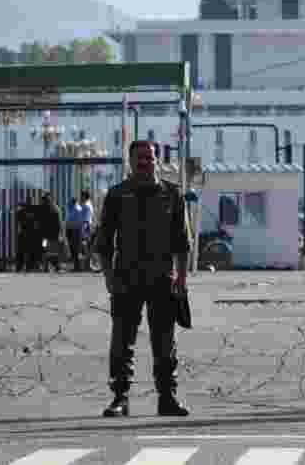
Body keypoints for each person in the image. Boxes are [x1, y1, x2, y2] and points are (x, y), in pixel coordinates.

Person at [91, 140, 191, 418]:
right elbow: (103, 243)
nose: (146, 161)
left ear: (157, 159)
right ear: (131, 161)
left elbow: (183, 243)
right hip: (127, 278)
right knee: (122, 342)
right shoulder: (118, 195)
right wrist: (109, 278)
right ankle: (120, 398)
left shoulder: (172, 195)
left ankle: (167, 397)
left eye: (150, 156)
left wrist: (181, 279)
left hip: (162, 279)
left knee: (165, 342)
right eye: (140, 157)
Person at [66, 191, 92, 272]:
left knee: (81, 248)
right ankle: (81, 266)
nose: (80, 198)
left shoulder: (86, 206)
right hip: (80, 228)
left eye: (81, 196)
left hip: (82, 228)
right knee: (80, 248)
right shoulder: (84, 206)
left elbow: (86, 220)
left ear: (84, 197)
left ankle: (86, 266)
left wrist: (82, 231)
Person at [38, 192, 64, 272]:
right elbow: (59, 222)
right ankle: (56, 267)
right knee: (54, 250)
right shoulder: (55, 208)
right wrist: (61, 233)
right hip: (53, 235)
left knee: (45, 249)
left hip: (46, 235)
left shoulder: (43, 209)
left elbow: (40, 222)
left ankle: (47, 267)